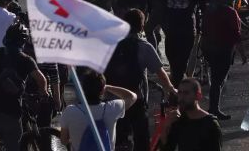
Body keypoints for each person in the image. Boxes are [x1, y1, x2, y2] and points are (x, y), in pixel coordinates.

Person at [106, 9, 176, 151]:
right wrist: (170, 89)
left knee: (117, 139)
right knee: (141, 139)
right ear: (142, 27)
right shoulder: (144, 46)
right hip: (137, 99)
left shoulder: (111, 45)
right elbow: (160, 73)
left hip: (114, 100)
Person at [0, 22, 48, 151]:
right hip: (10, 112)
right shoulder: (26, 60)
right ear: (23, 42)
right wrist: (43, 92)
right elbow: (41, 80)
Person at [149, 0, 211, 85]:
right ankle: (178, 91)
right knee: (173, 63)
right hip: (171, 33)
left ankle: (177, 93)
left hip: (187, 33)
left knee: (181, 65)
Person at [61, 69, 138, 151]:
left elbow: (64, 141)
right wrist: (108, 87)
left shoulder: (70, 111)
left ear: (82, 89)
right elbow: (132, 96)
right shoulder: (112, 108)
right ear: (102, 91)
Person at [200, 0, 241, 120]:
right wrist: (243, 53)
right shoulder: (230, 12)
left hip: (208, 48)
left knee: (216, 78)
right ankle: (214, 108)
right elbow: (236, 34)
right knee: (219, 80)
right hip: (224, 50)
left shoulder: (209, 9)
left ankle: (213, 106)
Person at [159, 78, 222, 151]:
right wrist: (167, 125)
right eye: (179, 92)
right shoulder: (178, 121)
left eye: (186, 93)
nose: (181, 97)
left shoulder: (210, 123)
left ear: (198, 96)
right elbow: (166, 148)